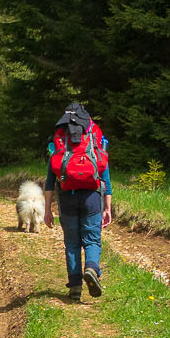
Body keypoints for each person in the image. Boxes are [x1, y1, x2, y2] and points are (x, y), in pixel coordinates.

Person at [45, 103, 112, 301]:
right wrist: (107, 208)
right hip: (92, 196)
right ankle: (91, 268)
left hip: (67, 197)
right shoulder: (94, 140)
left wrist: (48, 209)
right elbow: (105, 178)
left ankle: (74, 287)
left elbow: (50, 181)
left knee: (72, 243)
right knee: (92, 239)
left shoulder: (59, 142)